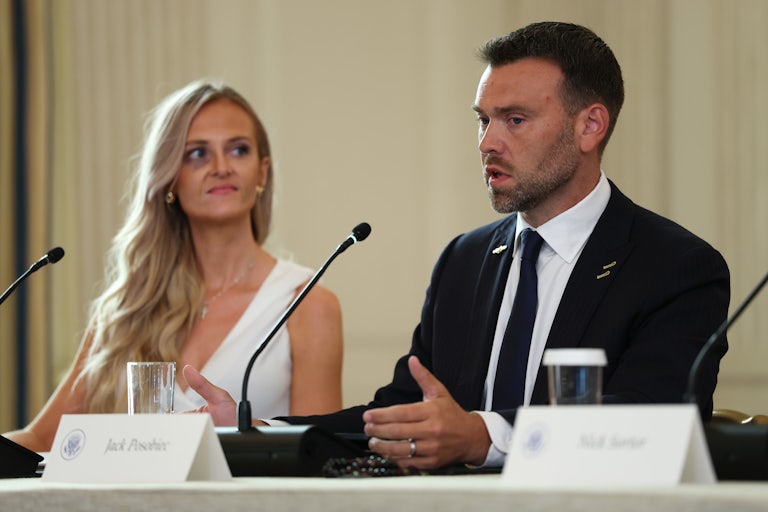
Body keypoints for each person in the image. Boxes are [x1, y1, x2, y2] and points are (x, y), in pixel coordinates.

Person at [185, 21, 730, 470]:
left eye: (515, 120)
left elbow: (650, 420)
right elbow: (400, 413)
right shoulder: (465, 261)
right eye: (483, 121)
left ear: (590, 127)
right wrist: (256, 426)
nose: (489, 143)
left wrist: (482, 435)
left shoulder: (676, 266)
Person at [3, 80, 344, 452]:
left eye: (238, 150)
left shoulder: (308, 303)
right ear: (170, 179)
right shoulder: (127, 307)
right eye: (197, 153)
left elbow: (312, 452)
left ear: (262, 174)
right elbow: (41, 437)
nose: (220, 167)